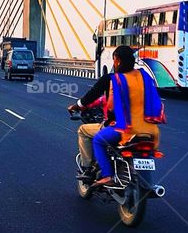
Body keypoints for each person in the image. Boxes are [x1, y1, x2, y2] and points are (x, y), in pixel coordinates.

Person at [67, 45, 166, 187]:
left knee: (96, 139)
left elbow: (95, 97)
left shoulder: (113, 79)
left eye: (114, 60)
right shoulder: (144, 77)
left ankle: (103, 174)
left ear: (117, 61)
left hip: (126, 130)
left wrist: (77, 106)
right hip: (151, 131)